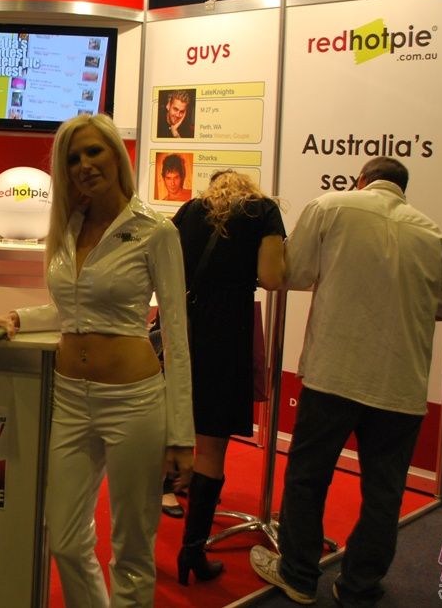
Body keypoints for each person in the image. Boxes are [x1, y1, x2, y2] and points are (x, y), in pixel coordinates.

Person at [0, 113, 195, 607]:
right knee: (65, 538)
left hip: (134, 401)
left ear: (117, 155)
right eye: (73, 158)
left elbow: (177, 336)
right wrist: (19, 316)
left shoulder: (155, 231)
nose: (84, 165)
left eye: (94, 152)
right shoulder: (68, 227)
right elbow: (72, 309)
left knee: (132, 549)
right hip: (71, 398)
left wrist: (182, 432)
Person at [249, 157, 442, 606]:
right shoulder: (434, 235)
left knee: (308, 477)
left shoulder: (330, 207)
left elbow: (295, 272)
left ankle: (298, 575)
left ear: (362, 181)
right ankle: (359, 585)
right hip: (401, 382)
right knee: (384, 492)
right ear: (403, 188)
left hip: (335, 372)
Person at [170, 170, 285, 585]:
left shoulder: (188, 211)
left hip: (183, 330)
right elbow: (272, 277)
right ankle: (192, 551)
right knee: (211, 451)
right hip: (227, 334)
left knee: (170, 435)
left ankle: (147, 547)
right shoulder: (263, 211)